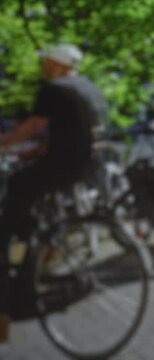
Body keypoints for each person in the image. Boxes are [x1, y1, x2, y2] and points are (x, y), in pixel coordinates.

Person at [0, 43, 107, 343]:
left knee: (14, 195)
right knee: (30, 193)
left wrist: (4, 143)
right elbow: (71, 131)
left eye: (46, 61)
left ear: (56, 64)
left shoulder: (54, 89)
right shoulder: (85, 87)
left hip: (64, 165)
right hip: (87, 166)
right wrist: (34, 152)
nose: (43, 66)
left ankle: (13, 280)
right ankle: (43, 249)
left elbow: (31, 126)